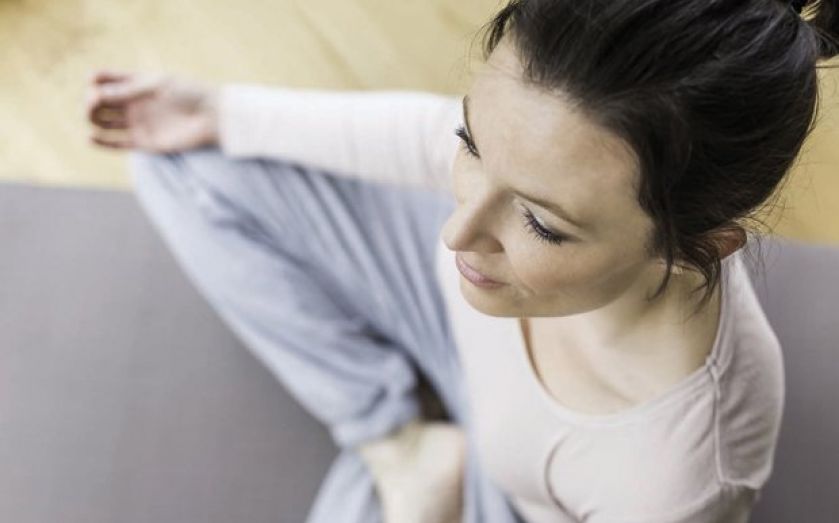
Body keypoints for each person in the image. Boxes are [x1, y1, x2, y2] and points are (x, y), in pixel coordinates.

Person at [84, 0, 839, 521]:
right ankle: (397, 441)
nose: (456, 232)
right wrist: (218, 111)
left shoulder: (681, 474)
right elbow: (421, 134)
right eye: (472, 144)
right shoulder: (524, 194)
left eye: (541, 223)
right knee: (180, 158)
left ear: (694, 246)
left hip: (503, 495)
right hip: (449, 331)